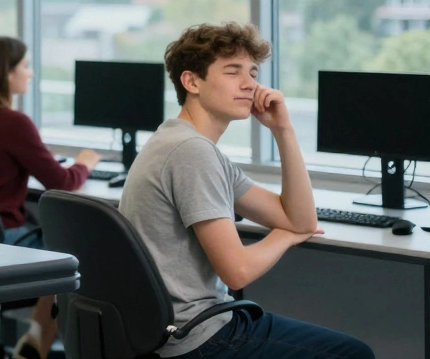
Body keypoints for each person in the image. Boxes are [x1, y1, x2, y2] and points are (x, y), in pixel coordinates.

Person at [118, 22, 374, 359]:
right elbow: (237, 270)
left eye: (253, 73)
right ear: (191, 81)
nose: (250, 84)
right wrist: (283, 237)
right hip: (196, 337)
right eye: (232, 71)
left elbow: (299, 219)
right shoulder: (191, 152)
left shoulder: (181, 141)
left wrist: (283, 130)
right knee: (353, 353)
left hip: (169, 333)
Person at [0, 36, 99, 359]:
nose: (30, 74)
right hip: (4, 243)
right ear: (6, 74)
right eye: (25, 67)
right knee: (75, 253)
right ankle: (37, 341)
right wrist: (85, 162)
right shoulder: (13, 123)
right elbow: (62, 182)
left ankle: (35, 337)